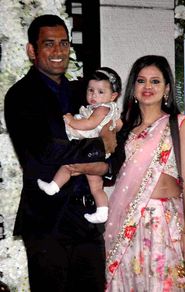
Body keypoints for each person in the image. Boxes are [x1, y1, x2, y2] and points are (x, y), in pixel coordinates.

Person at [4, 14, 116, 292]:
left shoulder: (85, 92)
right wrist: (100, 148)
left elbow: (118, 142)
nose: (58, 51)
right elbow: (45, 153)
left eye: (64, 43)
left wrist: (106, 167)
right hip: (46, 221)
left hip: (87, 220)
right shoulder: (20, 96)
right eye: (49, 44)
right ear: (32, 50)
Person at [104, 55, 185, 291]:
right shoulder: (123, 130)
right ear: (133, 88)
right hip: (128, 225)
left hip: (163, 225)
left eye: (155, 81)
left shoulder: (178, 125)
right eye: (141, 81)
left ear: (167, 88)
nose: (148, 87)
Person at [37, 67, 122, 224]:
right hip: (96, 151)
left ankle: (54, 186)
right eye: (91, 90)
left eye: (100, 92)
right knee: (96, 185)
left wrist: (72, 121)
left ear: (114, 96)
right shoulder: (106, 109)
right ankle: (102, 211)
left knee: (68, 165)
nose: (94, 95)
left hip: (90, 146)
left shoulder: (103, 108)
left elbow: (89, 124)